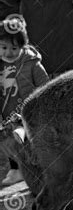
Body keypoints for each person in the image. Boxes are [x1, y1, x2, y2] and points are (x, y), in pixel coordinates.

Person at [0, 16, 48, 185]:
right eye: (3, 47)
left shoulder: (31, 62)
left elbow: (44, 85)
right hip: (7, 112)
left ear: (23, 46)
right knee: (9, 141)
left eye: (14, 47)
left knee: (30, 140)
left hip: (28, 111)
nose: (8, 52)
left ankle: (38, 170)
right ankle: (15, 170)